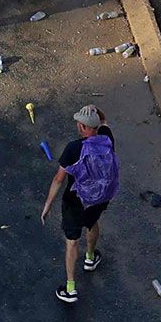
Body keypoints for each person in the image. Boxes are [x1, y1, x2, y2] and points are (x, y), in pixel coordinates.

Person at [41, 104, 118, 304]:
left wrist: (48, 204)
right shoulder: (107, 138)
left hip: (75, 202)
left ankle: (70, 287)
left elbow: (59, 179)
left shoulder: (74, 148)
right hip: (99, 198)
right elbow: (104, 121)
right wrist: (97, 111)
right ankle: (91, 258)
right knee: (92, 224)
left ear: (83, 127)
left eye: (80, 123)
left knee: (72, 241)